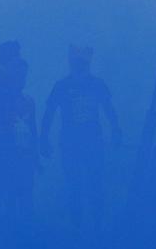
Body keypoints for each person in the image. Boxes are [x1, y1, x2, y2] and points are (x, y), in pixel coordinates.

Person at [40, 45, 122, 234]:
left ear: (88, 63)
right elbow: (49, 113)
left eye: (82, 62)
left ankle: (97, 225)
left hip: (93, 142)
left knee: (95, 182)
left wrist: (116, 130)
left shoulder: (97, 84)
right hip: (70, 144)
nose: (79, 66)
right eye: (76, 62)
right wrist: (43, 138)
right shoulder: (61, 86)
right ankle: (77, 226)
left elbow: (109, 109)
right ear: (71, 63)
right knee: (74, 184)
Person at [0, 42, 36, 227]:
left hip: (20, 150)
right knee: (7, 188)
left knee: (22, 189)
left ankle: (19, 226)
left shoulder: (27, 101)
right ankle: (6, 226)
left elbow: (32, 130)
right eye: (19, 73)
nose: (22, 78)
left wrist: (34, 155)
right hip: (4, 147)